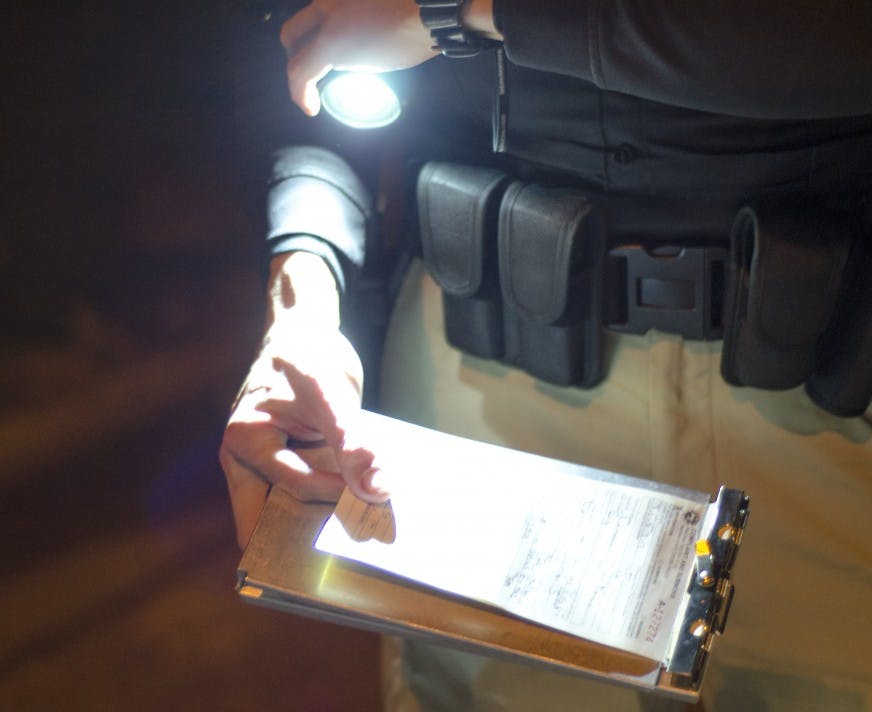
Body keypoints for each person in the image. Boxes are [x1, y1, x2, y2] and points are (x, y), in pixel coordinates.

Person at [220, 0, 872, 709]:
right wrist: (305, 302)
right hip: (481, 394)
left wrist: (455, 11)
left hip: (832, 405)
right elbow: (306, 43)